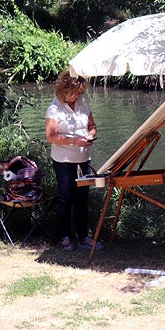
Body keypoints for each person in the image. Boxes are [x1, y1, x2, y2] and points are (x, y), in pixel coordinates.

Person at [45, 71, 99, 250]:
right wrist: (74, 141)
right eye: (75, 92)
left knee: (82, 198)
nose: (78, 95)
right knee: (66, 197)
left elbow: (92, 125)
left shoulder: (83, 103)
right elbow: (51, 136)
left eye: (80, 92)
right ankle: (65, 237)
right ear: (64, 90)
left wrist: (91, 134)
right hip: (63, 159)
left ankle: (83, 237)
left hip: (84, 157)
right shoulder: (54, 108)